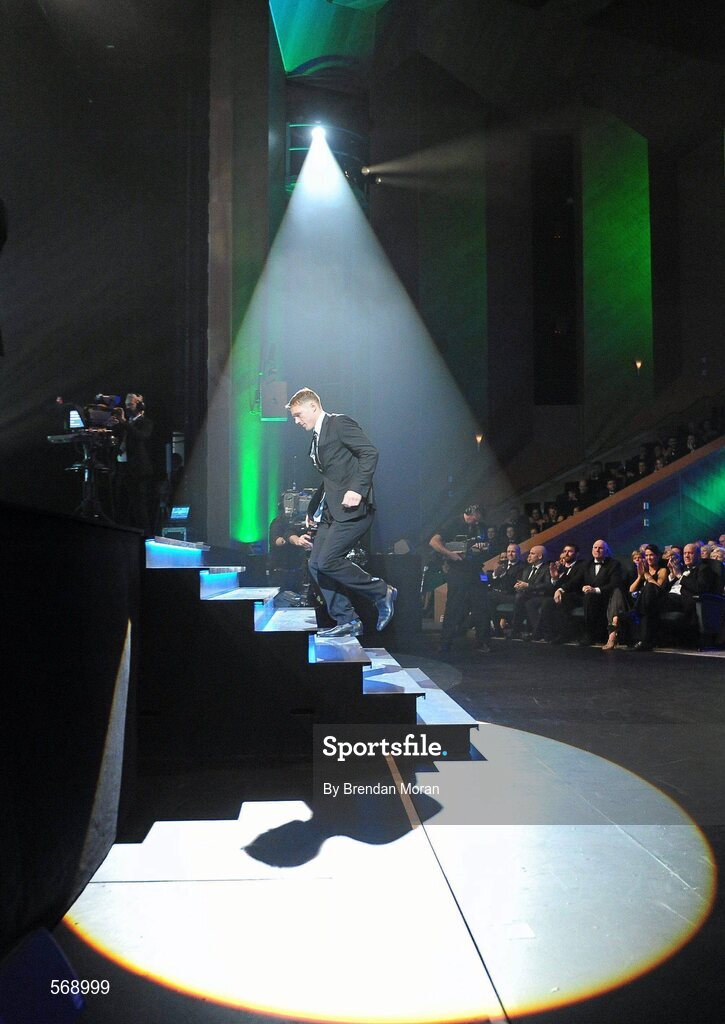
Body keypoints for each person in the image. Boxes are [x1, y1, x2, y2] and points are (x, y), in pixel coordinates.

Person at [286, 388, 395, 638]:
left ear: (313, 407)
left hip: (353, 509)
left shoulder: (338, 423)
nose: (296, 421)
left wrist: (358, 489)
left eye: (298, 414)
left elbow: (370, 452)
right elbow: (331, 479)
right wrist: (313, 510)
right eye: (294, 417)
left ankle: (381, 591)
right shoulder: (316, 436)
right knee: (315, 565)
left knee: (328, 561)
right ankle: (348, 620)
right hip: (330, 513)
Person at [429, 504, 491, 654]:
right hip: (458, 569)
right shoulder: (453, 523)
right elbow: (433, 542)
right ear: (470, 513)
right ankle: (445, 643)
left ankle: (482, 642)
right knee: (453, 606)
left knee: (482, 605)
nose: (477, 523)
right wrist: (450, 554)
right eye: (476, 519)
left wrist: (483, 547)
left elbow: (485, 543)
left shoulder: (480, 526)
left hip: (475, 568)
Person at [556, 539, 623, 645]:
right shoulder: (587, 564)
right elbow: (575, 580)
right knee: (565, 597)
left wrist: (595, 590)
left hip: (604, 597)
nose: (597, 550)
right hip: (587, 596)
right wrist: (561, 589)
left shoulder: (614, 564)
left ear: (606, 551)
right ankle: (565, 634)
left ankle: (589, 635)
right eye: (595, 548)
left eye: (600, 548)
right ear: (592, 550)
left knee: (589, 597)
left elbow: (615, 584)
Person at [112, 392, 155, 533]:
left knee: (138, 506)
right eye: (126, 405)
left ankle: (145, 534)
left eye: (130, 404)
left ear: (139, 405)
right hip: (123, 466)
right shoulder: (126, 423)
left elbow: (140, 436)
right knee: (121, 504)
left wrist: (124, 423)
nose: (127, 407)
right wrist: (117, 425)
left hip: (138, 470)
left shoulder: (145, 422)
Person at [629, 544, 669, 650]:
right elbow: (631, 590)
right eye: (646, 555)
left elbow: (657, 588)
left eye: (651, 555)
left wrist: (646, 575)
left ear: (657, 556)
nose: (648, 558)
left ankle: (635, 611)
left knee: (650, 587)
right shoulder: (644, 569)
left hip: (658, 600)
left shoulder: (662, 570)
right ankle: (643, 641)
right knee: (645, 608)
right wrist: (639, 576)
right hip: (645, 603)